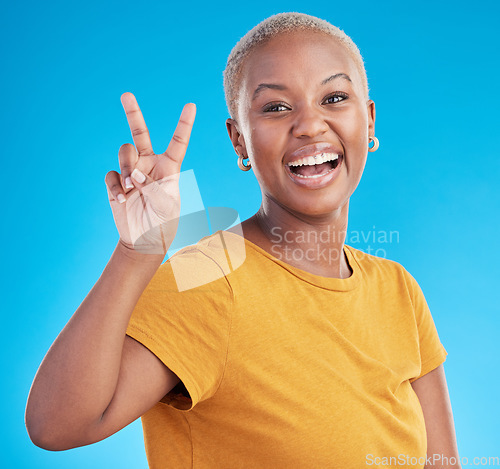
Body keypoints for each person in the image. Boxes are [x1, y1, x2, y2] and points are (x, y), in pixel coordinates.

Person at [25, 12, 461, 469]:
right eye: (276, 107)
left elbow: (442, 463)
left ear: (368, 122)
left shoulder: (399, 291)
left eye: (334, 97)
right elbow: (56, 426)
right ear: (239, 142)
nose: (310, 125)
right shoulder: (210, 273)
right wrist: (138, 253)